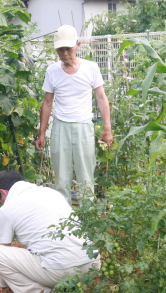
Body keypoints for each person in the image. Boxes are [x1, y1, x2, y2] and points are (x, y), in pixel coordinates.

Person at [0, 170, 100, 293]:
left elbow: (3, 250)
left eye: (0, 200)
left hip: (62, 271)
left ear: (3, 193)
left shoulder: (7, 209)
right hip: (92, 263)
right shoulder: (52, 194)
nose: (2, 203)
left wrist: (5, 287)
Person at [35, 24, 113, 204]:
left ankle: (88, 218)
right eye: (60, 49)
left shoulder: (91, 68)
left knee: (86, 175)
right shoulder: (52, 71)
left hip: (84, 126)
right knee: (61, 178)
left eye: (68, 49)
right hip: (60, 126)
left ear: (78, 45)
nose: (64, 53)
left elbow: (101, 98)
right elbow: (47, 103)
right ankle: (63, 220)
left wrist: (107, 128)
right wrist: (41, 133)